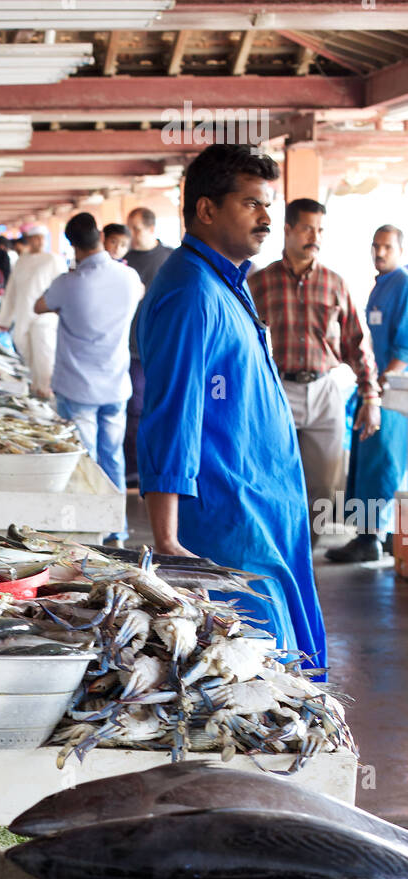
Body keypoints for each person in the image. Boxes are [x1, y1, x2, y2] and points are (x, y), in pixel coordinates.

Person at [137, 144, 327, 671]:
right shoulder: (190, 292)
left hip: (264, 513)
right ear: (206, 209)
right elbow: (172, 411)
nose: (268, 218)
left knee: (285, 669)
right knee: (255, 680)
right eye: (251, 204)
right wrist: (168, 539)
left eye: (269, 205)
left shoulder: (226, 283)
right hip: (228, 521)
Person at [249, 198, 380, 539]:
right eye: (307, 228)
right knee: (273, 473)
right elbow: (243, 344)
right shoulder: (260, 282)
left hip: (325, 389)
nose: (315, 236)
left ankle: (311, 550)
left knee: (324, 484)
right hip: (278, 387)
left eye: (320, 229)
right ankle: (281, 545)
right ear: (288, 229)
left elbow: (356, 341)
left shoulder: (335, 283)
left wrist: (371, 396)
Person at [36, 212, 141, 543]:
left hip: (77, 387)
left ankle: (89, 531)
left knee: (85, 462)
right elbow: (138, 294)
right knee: (112, 458)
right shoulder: (128, 277)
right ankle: (117, 528)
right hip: (115, 385)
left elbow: (39, 306)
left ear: (72, 245)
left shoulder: (68, 284)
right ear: (99, 235)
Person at [328, 224, 408, 563]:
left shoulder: (403, 284)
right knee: (364, 460)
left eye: (387, 247)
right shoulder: (379, 287)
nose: (380, 252)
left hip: (393, 391)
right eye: (376, 246)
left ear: (400, 250)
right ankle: (366, 535)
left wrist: (378, 385)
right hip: (374, 387)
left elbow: (403, 349)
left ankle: (374, 538)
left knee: (382, 462)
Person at [123, 207, 173, 486]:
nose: (131, 234)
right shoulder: (124, 261)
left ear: (152, 229)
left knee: (165, 408)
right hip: (132, 348)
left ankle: (163, 467)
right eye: (129, 228)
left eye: (137, 228)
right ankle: (134, 470)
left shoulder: (170, 258)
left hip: (165, 349)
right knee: (136, 408)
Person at [0, 224, 65, 395]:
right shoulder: (21, 261)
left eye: (43, 238)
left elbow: (64, 288)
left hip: (44, 319)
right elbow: (11, 291)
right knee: (26, 355)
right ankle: (35, 390)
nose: (40, 242)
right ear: (29, 240)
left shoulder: (53, 259)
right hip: (22, 316)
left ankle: (46, 393)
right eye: (36, 238)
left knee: (45, 357)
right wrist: (4, 320)